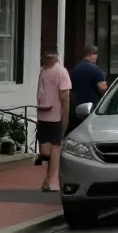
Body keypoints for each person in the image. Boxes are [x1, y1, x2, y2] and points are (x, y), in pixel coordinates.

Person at [35, 49, 72, 192]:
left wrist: (65, 117)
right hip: (42, 114)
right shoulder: (43, 71)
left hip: (55, 116)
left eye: (50, 57)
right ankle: (51, 176)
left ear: (55, 57)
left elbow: (65, 97)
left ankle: (52, 180)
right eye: (45, 57)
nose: (46, 59)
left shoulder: (61, 72)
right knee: (44, 151)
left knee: (55, 148)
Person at [68, 46, 107, 135]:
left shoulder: (75, 69)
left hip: (76, 107)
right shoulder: (96, 69)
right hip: (92, 109)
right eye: (97, 54)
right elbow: (103, 89)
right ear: (92, 53)